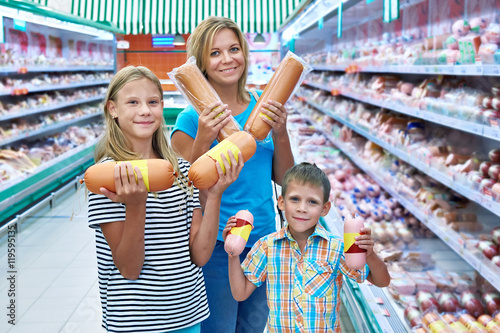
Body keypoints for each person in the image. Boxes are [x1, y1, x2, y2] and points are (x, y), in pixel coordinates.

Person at [87, 65, 244, 333]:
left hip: (188, 315)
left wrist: (215, 194)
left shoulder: (182, 171)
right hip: (136, 321)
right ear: (113, 109)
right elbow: (129, 269)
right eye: (133, 102)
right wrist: (136, 206)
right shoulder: (109, 178)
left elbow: (200, 255)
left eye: (153, 102)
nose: (145, 111)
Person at [171, 16, 294, 332]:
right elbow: (181, 189)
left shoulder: (263, 108)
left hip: (264, 240)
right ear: (202, 63)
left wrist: (280, 133)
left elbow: (284, 179)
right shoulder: (190, 119)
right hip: (215, 246)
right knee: (219, 328)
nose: (227, 59)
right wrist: (202, 137)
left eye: (234, 49)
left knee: (253, 327)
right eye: (214, 53)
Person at [225, 162, 391, 333]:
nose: (302, 208)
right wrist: (232, 254)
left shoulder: (335, 248)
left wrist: (370, 255)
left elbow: (382, 281)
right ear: (281, 202)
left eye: (312, 202)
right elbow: (240, 293)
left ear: (325, 208)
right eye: (295, 199)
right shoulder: (267, 246)